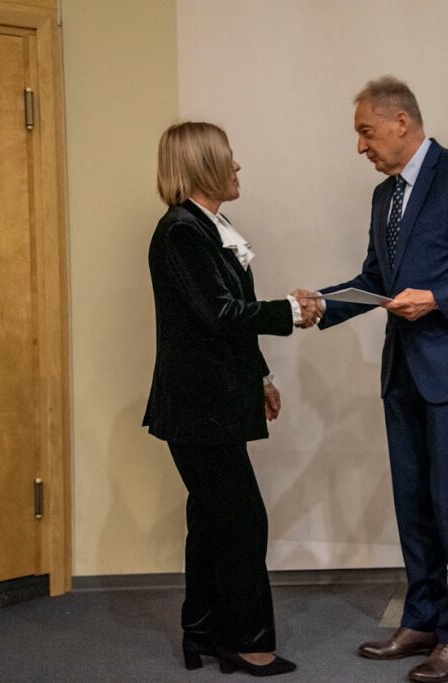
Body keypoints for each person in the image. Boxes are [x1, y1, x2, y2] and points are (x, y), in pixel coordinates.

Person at [295, 76, 448, 683]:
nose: (360, 147)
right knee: (413, 500)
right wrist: (322, 303)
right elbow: (376, 278)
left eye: (366, 132)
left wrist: (438, 297)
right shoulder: (384, 197)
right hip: (402, 369)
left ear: (401, 122)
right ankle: (422, 620)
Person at [143, 121, 320, 677]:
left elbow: (225, 319)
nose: (237, 166)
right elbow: (219, 314)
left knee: (212, 521)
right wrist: (290, 310)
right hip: (199, 407)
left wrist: (260, 377)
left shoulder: (209, 227)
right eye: (229, 157)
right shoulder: (181, 232)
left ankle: (202, 633)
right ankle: (244, 642)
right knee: (241, 522)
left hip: (211, 401)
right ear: (203, 166)